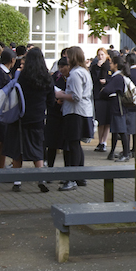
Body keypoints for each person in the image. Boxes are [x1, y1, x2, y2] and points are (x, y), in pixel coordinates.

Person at [4, 48, 54, 192]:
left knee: (18, 149)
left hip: (21, 117)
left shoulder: (22, 77)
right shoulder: (47, 78)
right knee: (37, 147)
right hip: (38, 118)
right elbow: (51, 101)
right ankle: (41, 178)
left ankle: (17, 182)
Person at [55, 46, 94, 191]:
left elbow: (76, 96)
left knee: (73, 145)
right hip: (82, 111)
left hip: (75, 112)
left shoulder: (75, 74)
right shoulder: (84, 71)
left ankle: (72, 178)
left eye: (69, 56)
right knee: (76, 145)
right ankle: (79, 176)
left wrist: (61, 95)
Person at [100, 55, 132, 161]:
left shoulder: (117, 77)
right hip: (117, 106)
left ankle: (126, 153)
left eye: (111, 63)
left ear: (116, 65)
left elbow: (106, 90)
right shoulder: (118, 76)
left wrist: (103, 91)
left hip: (118, 107)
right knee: (116, 130)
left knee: (121, 130)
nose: (110, 65)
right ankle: (113, 152)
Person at [44, 57, 68, 167]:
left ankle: (67, 172)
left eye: (63, 67)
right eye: (60, 67)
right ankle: (49, 168)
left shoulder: (72, 77)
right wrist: (55, 100)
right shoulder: (55, 77)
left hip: (66, 114)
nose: (61, 69)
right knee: (51, 144)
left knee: (66, 145)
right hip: (54, 113)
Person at [90, 47, 113, 150]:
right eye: (99, 55)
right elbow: (93, 79)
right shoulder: (94, 67)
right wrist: (97, 68)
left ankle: (104, 141)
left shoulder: (109, 66)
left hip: (107, 96)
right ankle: (100, 141)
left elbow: (112, 80)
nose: (100, 57)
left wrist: (106, 82)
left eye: (102, 55)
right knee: (100, 120)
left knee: (107, 121)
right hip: (98, 96)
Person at [126, 52, 136, 157]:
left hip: (129, 104)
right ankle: (135, 148)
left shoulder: (127, 74)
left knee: (128, 128)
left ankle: (127, 150)